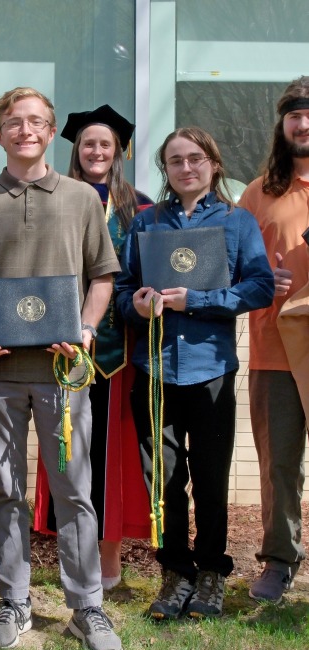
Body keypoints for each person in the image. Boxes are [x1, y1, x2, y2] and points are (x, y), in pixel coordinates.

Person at [0, 87, 123, 650]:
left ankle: (86, 605)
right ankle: (14, 599)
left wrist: (88, 329)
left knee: (74, 490)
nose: (26, 130)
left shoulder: (80, 198)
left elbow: (101, 275)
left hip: (63, 371)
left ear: (52, 132)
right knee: (6, 489)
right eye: (14, 122)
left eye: (37, 122)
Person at [115, 126, 274, 620]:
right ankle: (175, 572)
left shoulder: (237, 221)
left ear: (214, 163)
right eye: (175, 161)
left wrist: (199, 300)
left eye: (195, 159)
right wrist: (138, 306)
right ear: (166, 169)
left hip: (211, 372)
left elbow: (260, 287)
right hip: (155, 370)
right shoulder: (147, 224)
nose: (186, 168)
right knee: (163, 477)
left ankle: (210, 573)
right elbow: (121, 291)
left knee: (209, 477)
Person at [33, 104, 152, 589]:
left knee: (112, 456)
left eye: (105, 144)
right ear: (75, 151)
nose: (97, 151)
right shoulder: (53, 199)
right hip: (62, 346)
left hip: (119, 351)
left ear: (118, 150)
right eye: (87, 144)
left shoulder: (139, 207)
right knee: (68, 450)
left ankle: (109, 560)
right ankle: (74, 556)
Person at [239, 76, 309, 603]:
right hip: (274, 349)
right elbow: (235, 270)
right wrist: (266, 279)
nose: (303, 124)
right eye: (294, 116)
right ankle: (280, 559)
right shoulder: (259, 192)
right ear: (282, 125)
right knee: (278, 462)